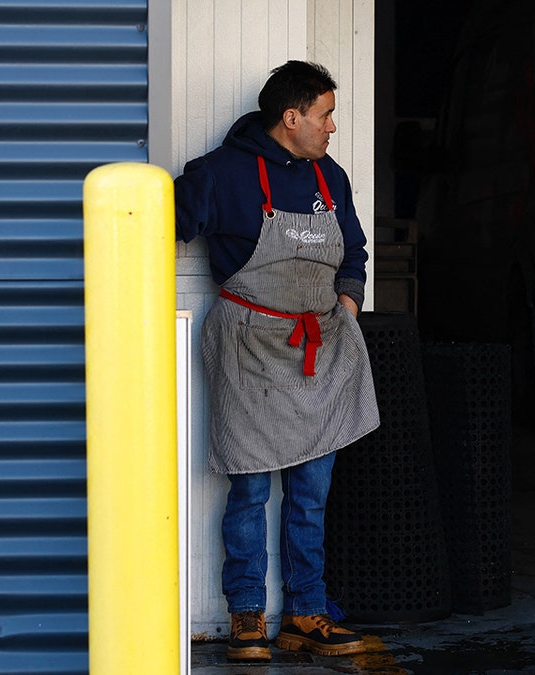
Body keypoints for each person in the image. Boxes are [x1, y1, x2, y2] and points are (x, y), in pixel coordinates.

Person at [174, 60, 379, 661]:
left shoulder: (328, 178)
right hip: (251, 349)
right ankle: (245, 618)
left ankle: (306, 615)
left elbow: (355, 250)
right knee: (250, 490)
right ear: (291, 118)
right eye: (326, 114)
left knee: (311, 492)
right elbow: (153, 227)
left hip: (319, 347)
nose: (333, 127)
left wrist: (347, 301)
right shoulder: (220, 173)